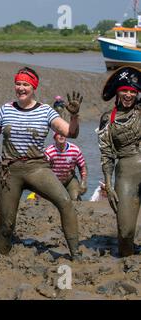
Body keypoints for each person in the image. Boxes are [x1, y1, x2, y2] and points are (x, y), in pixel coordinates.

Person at [0, 66, 83, 260]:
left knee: (66, 202)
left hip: (37, 168)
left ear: (33, 87)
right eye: (18, 84)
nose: (21, 88)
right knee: (6, 226)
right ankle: (0, 256)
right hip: (9, 172)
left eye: (25, 84)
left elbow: (71, 133)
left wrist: (74, 116)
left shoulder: (46, 111)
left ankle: (76, 253)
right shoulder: (6, 109)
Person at [97, 66, 141, 257]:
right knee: (125, 231)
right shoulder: (108, 118)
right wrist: (108, 182)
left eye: (133, 91)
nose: (129, 95)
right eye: (124, 90)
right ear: (117, 92)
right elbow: (106, 153)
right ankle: (126, 259)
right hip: (126, 173)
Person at [45, 133, 88, 201]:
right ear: (54, 137)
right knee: (58, 200)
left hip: (70, 180)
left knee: (75, 198)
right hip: (54, 181)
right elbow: (43, 171)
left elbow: (82, 166)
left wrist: (83, 183)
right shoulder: (49, 152)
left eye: (63, 134)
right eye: (59, 134)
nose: (61, 136)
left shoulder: (75, 150)